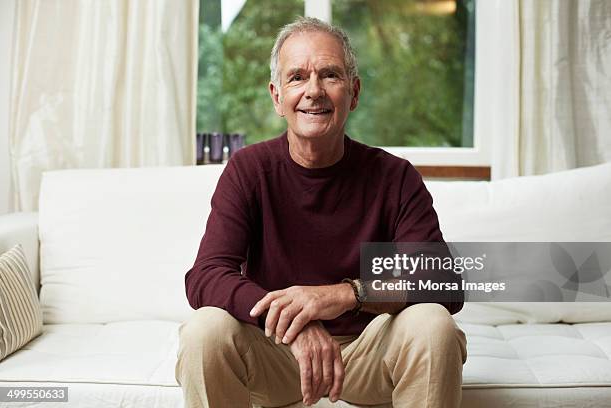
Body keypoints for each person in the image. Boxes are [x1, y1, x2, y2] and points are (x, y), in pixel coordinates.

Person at [176, 16, 467, 408]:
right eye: (297, 77)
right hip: (277, 354)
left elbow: (441, 280)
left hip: (369, 353)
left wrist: (345, 295)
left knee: (433, 323)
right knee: (204, 331)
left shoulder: (393, 176)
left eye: (330, 75)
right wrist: (294, 325)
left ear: (355, 92)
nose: (314, 91)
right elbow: (207, 275)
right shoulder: (249, 170)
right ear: (277, 97)